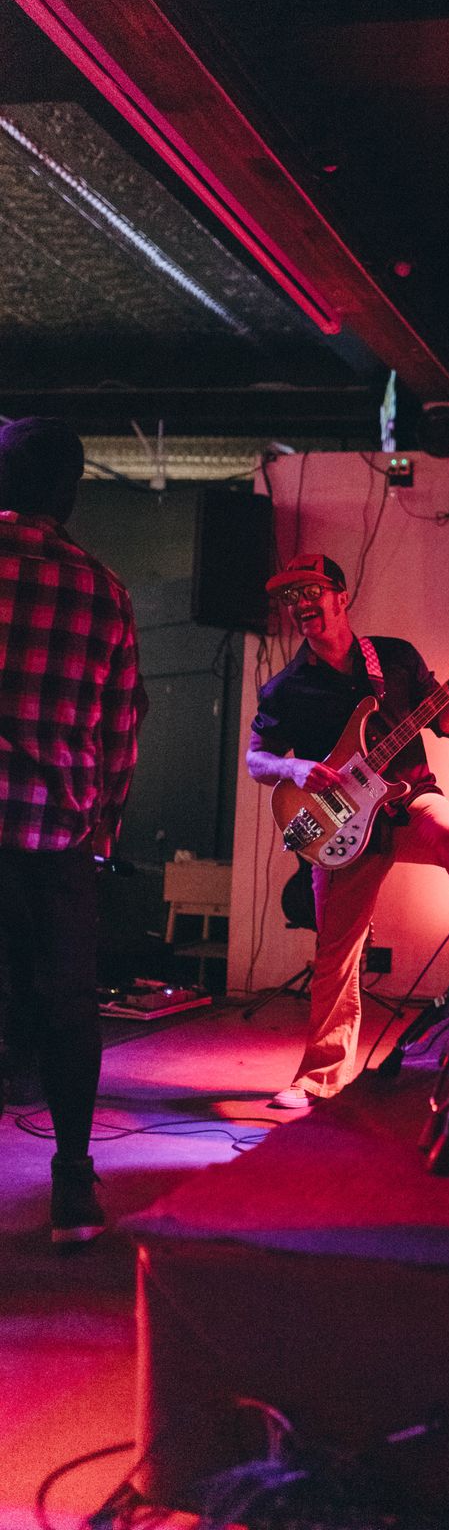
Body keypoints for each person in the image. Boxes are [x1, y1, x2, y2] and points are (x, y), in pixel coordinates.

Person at [246, 553, 449, 1108]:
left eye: (312, 591)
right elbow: (256, 759)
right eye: (291, 597)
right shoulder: (287, 687)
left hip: (409, 802)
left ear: (341, 597)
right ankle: (321, 1076)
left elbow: (448, 723)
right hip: (339, 825)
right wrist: (296, 769)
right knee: (336, 953)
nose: (301, 604)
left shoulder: (395, 657)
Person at [0, 417, 144, 1244]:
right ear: (70, 495)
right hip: (56, 837)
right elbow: (119, 732)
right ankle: (72, 1187)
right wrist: (102, 831)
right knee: (67, 1007)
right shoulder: (102, 589)